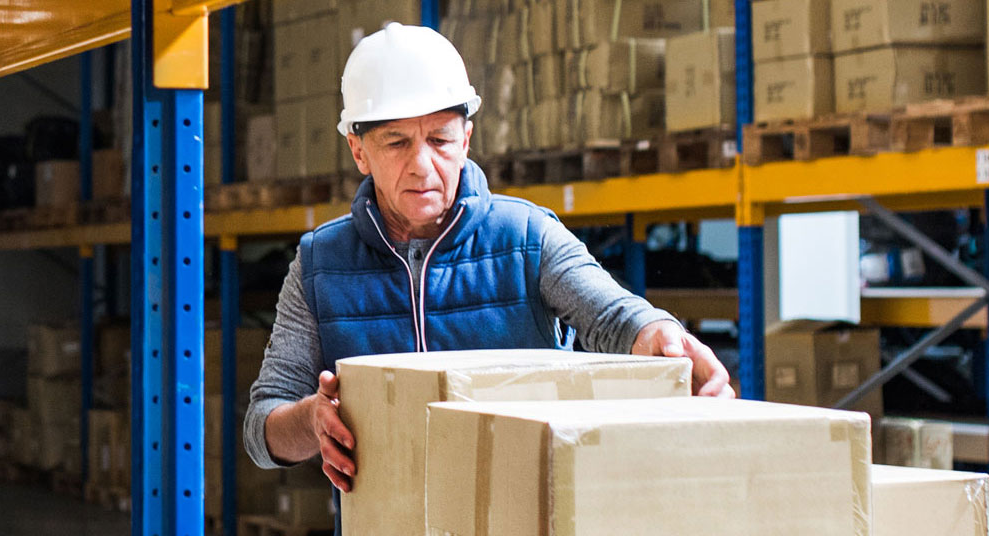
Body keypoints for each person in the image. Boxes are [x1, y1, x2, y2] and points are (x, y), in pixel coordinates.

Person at [241, 23, 736, 494]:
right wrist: (311, 420)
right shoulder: (320, 264)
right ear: (358, 151)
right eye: (396, 142)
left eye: (440, 140)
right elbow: (262, 428)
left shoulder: (526, 237)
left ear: (467, 141)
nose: (422, 165)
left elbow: (614, 316)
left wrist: (666, 339)